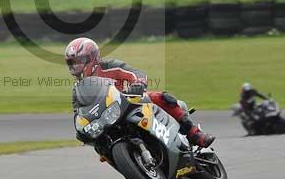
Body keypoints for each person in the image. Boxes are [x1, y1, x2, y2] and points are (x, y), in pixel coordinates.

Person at [65, 37, 215, 147]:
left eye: (79, 61)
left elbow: (135, 73)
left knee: (161, 97)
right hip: (109, 117)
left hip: (130, 102)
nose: (75, 67)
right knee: (99, 145)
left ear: (93, 57)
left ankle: (195, 134)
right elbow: (79, 113)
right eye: (72, 63)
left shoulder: (109, 66)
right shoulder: (78, 89)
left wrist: (138, 83)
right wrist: (81, 129)